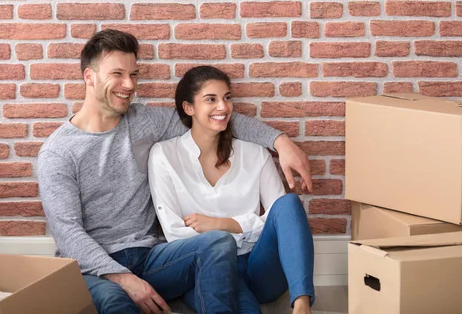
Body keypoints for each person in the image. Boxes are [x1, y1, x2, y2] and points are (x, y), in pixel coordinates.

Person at [37, 29, 314, 314]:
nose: (129, 84)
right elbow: (68, 234)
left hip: (151, 257)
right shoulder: (59, 152)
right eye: (117, 74)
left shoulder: (144, 121)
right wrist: (124, 279)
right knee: (117, 303)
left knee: (217, 242)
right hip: (95, 269)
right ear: (89, 77)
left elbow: (214, 119)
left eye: (134, 74)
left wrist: (280, 142)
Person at [148, 66, 315, 314]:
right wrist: (230, 235)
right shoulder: (164, 155)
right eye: (211, 99)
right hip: (209, 269)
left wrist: (223, 224)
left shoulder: (255, 153)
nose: (223, 107)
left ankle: (302, 304)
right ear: (188, 108)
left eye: (227, 98)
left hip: (259, 266)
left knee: (289, 204)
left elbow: (279, 221)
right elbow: (174, 232)